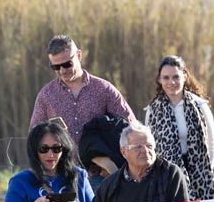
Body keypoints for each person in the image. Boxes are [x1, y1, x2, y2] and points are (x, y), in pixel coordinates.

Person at [144, 55, 214, 202]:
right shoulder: (153, 110)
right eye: (166, 78)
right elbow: (150, 148)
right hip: (169, 177)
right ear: (159, 80)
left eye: (176, 77)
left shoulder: (199, 106)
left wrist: (203, 172)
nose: (171, 82)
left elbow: (213, 145)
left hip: (198, 175)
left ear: (185, 76)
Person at [30, 34, 136, 173]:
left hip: (101, 175)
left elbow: (131, 128)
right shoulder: (46, 95)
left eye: (67, 64)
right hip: (63, 174)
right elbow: (34, 135)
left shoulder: (103, 89)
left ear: (79, 55)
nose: (62, 71)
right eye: (55, 67)